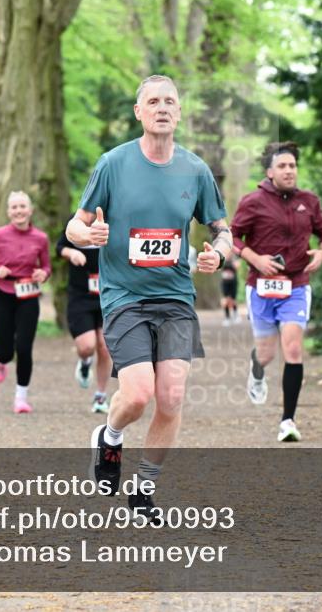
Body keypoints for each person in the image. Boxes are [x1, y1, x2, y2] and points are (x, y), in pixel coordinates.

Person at [67, 74, 231, 519]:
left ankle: (143, 491)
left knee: (172, 396)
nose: (162, 108)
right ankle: (110, 437)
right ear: (138, 112)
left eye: (170, 101)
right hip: (124, 297)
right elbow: (73, 226)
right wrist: (89, 233)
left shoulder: (195, 171)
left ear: (179, 112)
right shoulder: (113, 164)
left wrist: (217, 253)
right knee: (137, 396)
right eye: (153, 101)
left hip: (176, 297)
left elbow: (223, 230)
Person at [231, 141, 322, 442]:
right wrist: (255, 259)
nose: (289, 171)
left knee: (293, 349)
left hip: (297, 285)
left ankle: (288, 420)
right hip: (260, 287)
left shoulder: (309, 201)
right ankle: (257, 369)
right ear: (269, 172)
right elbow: (233, 237)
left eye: (292, 166)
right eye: (283, 166)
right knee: (266, 354)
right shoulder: (253, 202)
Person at [0, 191, 51, 414]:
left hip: (28, 295)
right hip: (2, 293)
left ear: (30, 210)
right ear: (8, 212)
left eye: (22, 206)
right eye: (14, 207)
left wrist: (43, 274)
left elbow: (47, 266)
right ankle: (0, 361)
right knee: (5, 351)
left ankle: (21, 397)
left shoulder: (40, 238)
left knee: (24, 346)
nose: (19, 211)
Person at [56, 215, 111, 413]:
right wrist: (71, 253)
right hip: (81, 296)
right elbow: (59, 246)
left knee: (105, 346)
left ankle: (100, 396)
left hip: (108, 295)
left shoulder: (113, 221)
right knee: (87, 346)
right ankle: (85, 361)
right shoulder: (75, 221)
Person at [220, 255, 241, 326]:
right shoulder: (222, 256)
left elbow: (237, 267)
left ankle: (235, 315)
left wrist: (231, 262)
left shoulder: (235, 257)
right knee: (226, 300)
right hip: (225, 282)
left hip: (233, 282)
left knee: (233, 299)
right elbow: (219, 268)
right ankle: (227, 317)